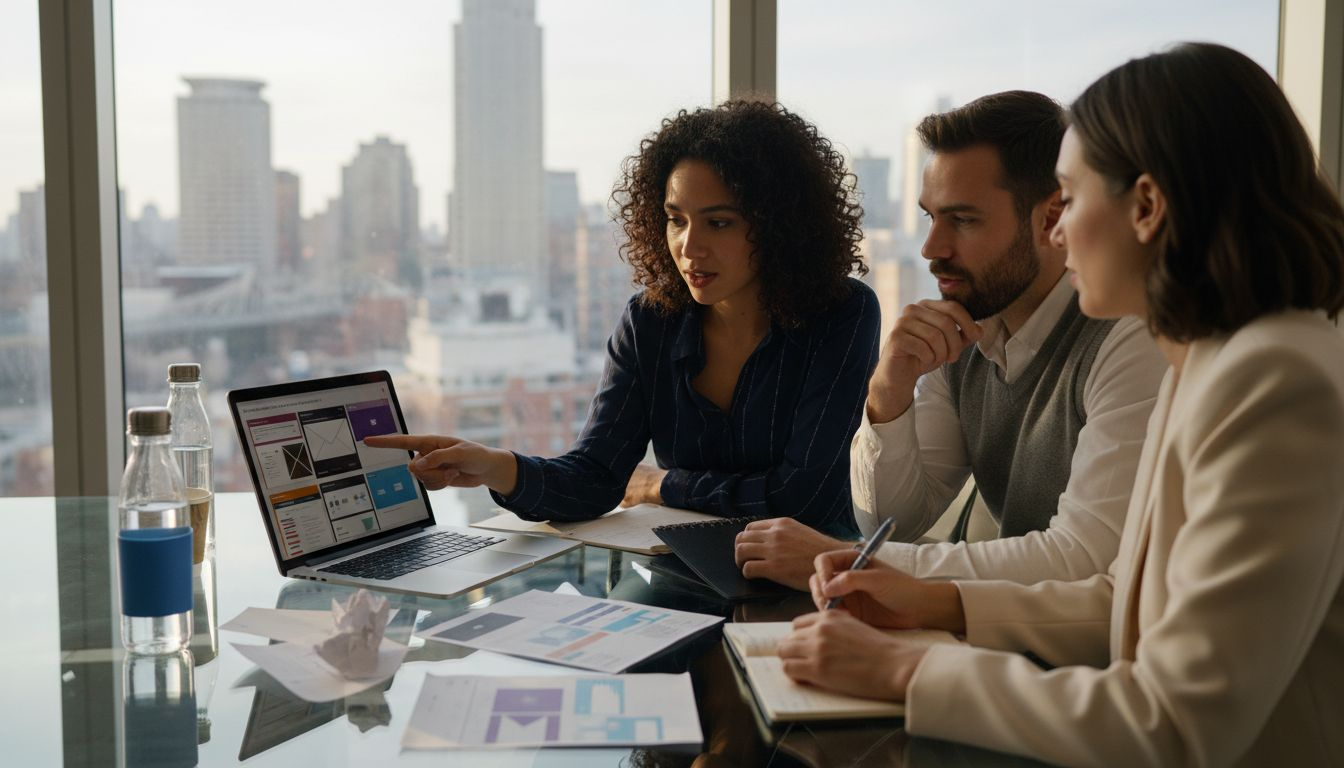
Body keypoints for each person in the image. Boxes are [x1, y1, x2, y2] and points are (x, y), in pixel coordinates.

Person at [778, 42, 1344, 766]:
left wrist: (904, 667)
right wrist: (933, 601)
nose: (1059, 231)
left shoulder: (1272, 380)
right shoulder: (1207, 360)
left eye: (1069, 201)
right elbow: (1121, 598)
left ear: (1146, 207)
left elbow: (1174, 723)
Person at [369, 101, 879, 533]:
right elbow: (596, 477)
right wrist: (494, 468)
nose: (688, 246)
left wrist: (660, 485)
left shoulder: (841, 314)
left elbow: (802, 499)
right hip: (681, 563)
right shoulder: (650, 321)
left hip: (808, 578)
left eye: (718, 222)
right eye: (675, 220)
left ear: (778, 226)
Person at [736, 91, 1168, 589]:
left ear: (1050, 219)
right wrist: (887, 395)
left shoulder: (1128, 335)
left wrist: (851, 561)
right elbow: (892, 522)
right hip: (1004, 628)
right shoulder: (963, 329)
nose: (931, 248)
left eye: (962, 220)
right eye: (930, 217)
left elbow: (1084, 558)